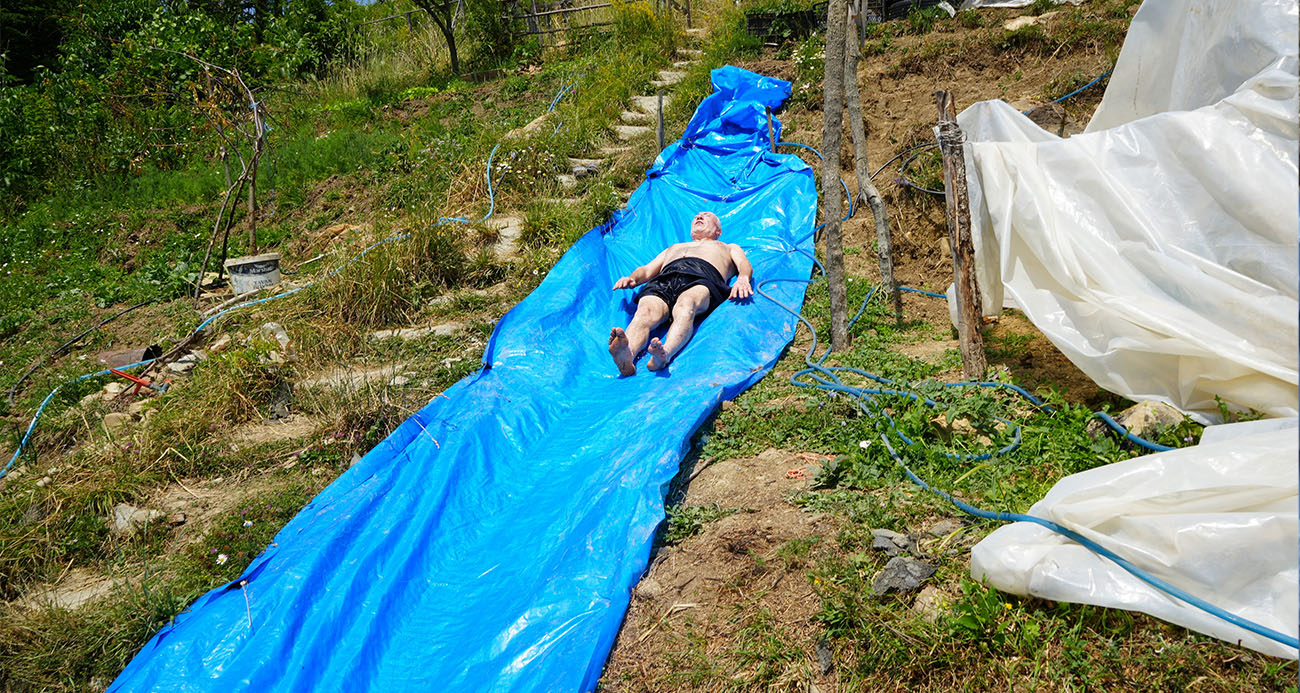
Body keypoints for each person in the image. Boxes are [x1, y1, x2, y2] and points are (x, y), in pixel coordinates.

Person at [608, 211, 753, 375]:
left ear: (718, 231)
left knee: (686, 305)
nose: (699, 216)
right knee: (644, 312)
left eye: (706, 216)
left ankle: (664, 354)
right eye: (696, 216)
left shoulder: (728, 247)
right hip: (665, 278)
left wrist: (743, 278)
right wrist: (633, 278)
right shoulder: (674, 248)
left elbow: (744, 264)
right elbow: (648, 269)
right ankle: (627, 355)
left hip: (701, 276)